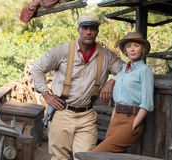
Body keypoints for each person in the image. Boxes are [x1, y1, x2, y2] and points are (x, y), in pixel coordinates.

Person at [30, 15, 123, 159]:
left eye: (92, 29)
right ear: (79, 30)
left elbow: (127, 70)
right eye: (85, 28)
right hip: (62, 112)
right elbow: (37, 68)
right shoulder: (62, 51)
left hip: (87, 115)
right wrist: (46, 94)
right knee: (59, 157)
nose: (88, 32)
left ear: (97, 32)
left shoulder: (106, 56)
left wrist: (112, 81)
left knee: (85, 157)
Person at [92, 31, 154, 152]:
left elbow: (147, 103)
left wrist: (134, 124)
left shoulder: (145, 71)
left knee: (96, 154)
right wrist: (112, 121)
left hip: (130, 119)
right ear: (125, 50)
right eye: (129, 46)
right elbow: (118, 99)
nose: (132, 49)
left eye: (136, 46)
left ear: (142, 50)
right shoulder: (124, 69)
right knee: (110, 156)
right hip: (116, 119)